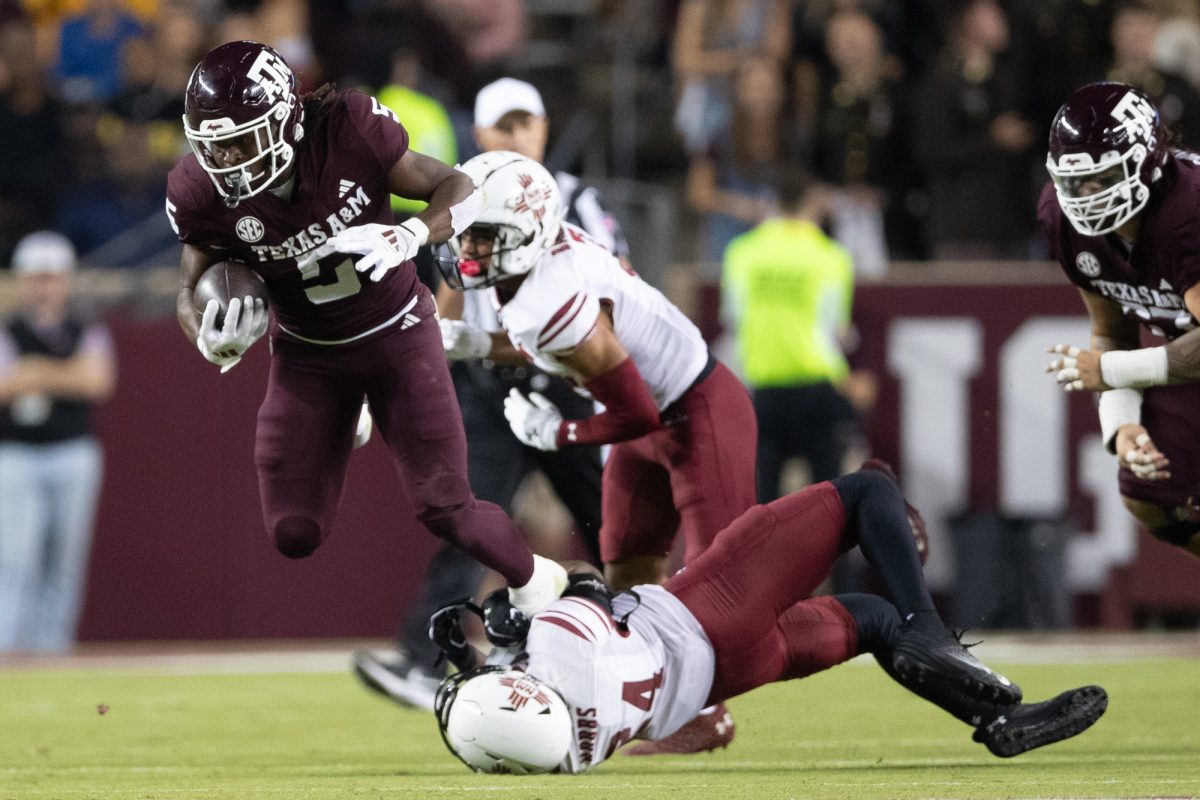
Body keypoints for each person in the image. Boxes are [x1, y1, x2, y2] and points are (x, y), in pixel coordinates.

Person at [165, 41, 567, 621]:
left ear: (285, 119)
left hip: (396, 332)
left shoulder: (348, 128)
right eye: (213, 145)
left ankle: (537, 577)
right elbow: (189, 289)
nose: (226, 159)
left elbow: (460, 187)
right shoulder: (200, 190)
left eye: (241, 138)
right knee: (293, 531)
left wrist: (409, 235)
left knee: (445, 507)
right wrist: (206, 335)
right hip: (307, 351)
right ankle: (348, 408)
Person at [429, 462, 1108, 773]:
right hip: (704, 613)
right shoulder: (559, 648)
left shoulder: (559, 757)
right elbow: (585, 589)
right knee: (868, 492)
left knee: (871, 620)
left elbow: (520, 713)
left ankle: (996, 721)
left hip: (714, 680)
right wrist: (516, 611)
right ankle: (928, 624)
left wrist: (486, 655)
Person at [434, 150, 759, 754]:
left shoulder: (544, 297)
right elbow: (564, 344)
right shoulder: (538, 270)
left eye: (483, 236)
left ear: (526, 232)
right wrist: (478, 341)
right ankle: (696, 713)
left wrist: (557, 434)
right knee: (629, 571)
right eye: (465, 233)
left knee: (725, 589)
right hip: (655, 415)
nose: (467, 250)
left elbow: (633, 407)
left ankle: (867, 603)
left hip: (696, 409)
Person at [352, 77, 614, 711]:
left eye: (527, 123)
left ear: (544, 128)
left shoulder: (576, 202)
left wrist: (467, 342)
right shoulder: (461, 197)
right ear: (483, 135)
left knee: (617, 524)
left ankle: (662, 639)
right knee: (467, 520)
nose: (517, 135)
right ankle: (426, 655)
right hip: (492, 391)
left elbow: (595, 308)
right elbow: (446, 298)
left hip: (567, 381)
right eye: (505, 125)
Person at [1042, 80, 1200, 557]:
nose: (1085, 196)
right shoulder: (1061, 221)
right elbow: (1112, 329)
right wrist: (1122, 423)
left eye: (1101, 179)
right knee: (1149, 496)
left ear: (1146, 163)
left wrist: (1110, 372)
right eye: (1073, 182)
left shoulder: (1187, 211)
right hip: (1185, 349)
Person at [0, 231, 116, 653]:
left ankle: (53, 654)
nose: (44, 287)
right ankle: (8, 652)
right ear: (23, 281)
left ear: (65, 280)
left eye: (51, 278)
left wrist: (34, 371)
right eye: (36, 278)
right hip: (15, 455)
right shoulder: (7, 328)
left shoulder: (85, 326)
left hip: (72, 451)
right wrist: (64, 375)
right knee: (16, 559)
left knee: (63, 563)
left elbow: (98, 380)